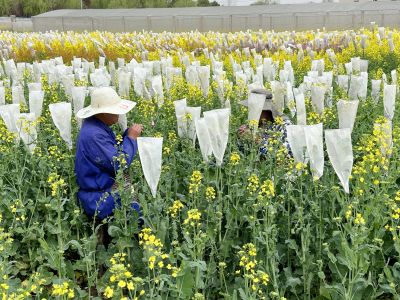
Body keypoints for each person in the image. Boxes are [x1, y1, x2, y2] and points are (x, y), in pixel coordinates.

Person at [75, 87, 144, 226]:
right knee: (139, 213)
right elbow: (119, 163)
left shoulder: (95, 126)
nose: (118, 115)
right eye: (115, 111)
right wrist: (131, 138)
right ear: (104, 113)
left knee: (131, 185)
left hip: (100, 188)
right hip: (99, 199)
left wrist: (127, 135)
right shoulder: (94, 135)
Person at [238, 88, 292, 156]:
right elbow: (247, 154)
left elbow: (287, 154)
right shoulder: (256, 123)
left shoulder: (284, 125)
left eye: (255, 109)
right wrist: (242, 138)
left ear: (267, 110)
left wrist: (257, 140)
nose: (252, 112)